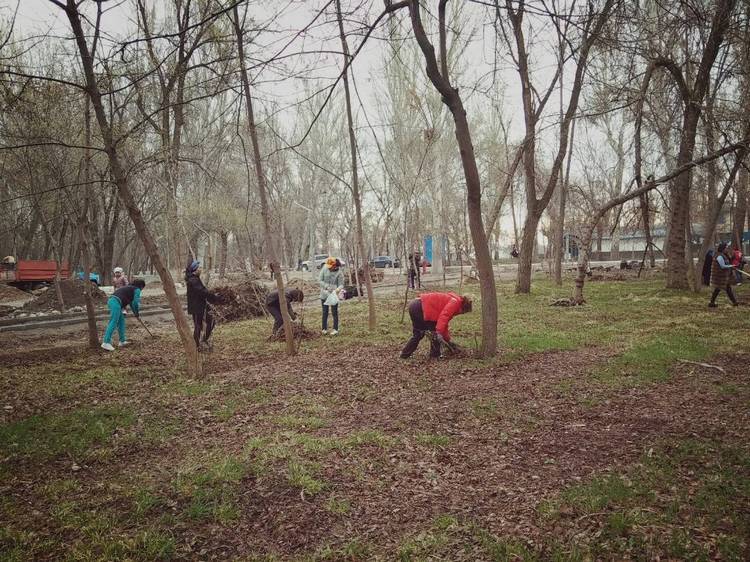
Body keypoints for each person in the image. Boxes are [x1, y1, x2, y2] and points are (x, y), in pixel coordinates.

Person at [400, 292, 472, 359]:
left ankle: (404, 354)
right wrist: (439, 333)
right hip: (422, 308)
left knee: (418, 334)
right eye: (463, 312)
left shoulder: (454, 299)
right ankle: (435, 355)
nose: (460, 314)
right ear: (463, 308)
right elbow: (444, 317)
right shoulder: (455, 303)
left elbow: (444, 323)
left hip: (414, 305)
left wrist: (447, 339)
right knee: (435, 333)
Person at [185, 260, 221, 351]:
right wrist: (214, 297)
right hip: (197, 307)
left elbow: (203, 292)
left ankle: (203, 341)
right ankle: (197, 346)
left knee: (210, 321)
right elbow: (202, 292)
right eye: (199, 268)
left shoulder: (195, 279)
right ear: (195, 269)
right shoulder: (193, 280)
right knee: (198, 325)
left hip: (200, 306)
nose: (201, 269)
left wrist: (212, 296)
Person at [101, 278, 145, 351]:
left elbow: (132, 304)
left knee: (121, 322)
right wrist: (137, 313)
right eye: (142, 288)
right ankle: (106, 342)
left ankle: (122, 341)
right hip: (115, 302)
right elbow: (135, 303)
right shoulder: (137, 289)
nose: (141, 290)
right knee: (113, 321)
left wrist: (136, 315)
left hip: (114, 302)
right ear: (141, 286)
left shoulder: (130, 289)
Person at [708, 242, 738, 308]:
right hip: (719, 276)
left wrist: (731, 266)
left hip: (723, 277)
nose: (727, 249)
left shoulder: (723, 255)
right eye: (726, 248)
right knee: (719, 289)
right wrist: (731, 266)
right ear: (723, 248)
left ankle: (734, 302)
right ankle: (712, 303)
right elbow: (722, 266)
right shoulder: (719, 256)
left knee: (726, 289)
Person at [319, 257, 344, 335]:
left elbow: (341, 284)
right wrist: (326, 286)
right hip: (324, 293)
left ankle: (335, 329)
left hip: (333, 294)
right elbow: (320, 280)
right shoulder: (324, 268)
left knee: (334, 312)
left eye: (331, 266)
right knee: (325, 312)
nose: (329, 268)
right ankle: (324, 329)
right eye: (328, 266)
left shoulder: (339, 273)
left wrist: (337, 290)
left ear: (335, 266)